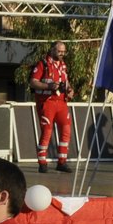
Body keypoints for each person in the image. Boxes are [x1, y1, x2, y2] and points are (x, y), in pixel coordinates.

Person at [29, 40, 72, 173]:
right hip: (47, 102)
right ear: (52, 50)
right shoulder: (43, 64)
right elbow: (33, 82)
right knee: (47, 131)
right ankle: (42, 163)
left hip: (62, 102)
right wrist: (48, 86)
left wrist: (70, 90)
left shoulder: (63, 65)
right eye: (59, 51)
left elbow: (66, 82)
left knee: (66, 130)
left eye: (64, 52)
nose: (61, 54)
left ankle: (62, 162)